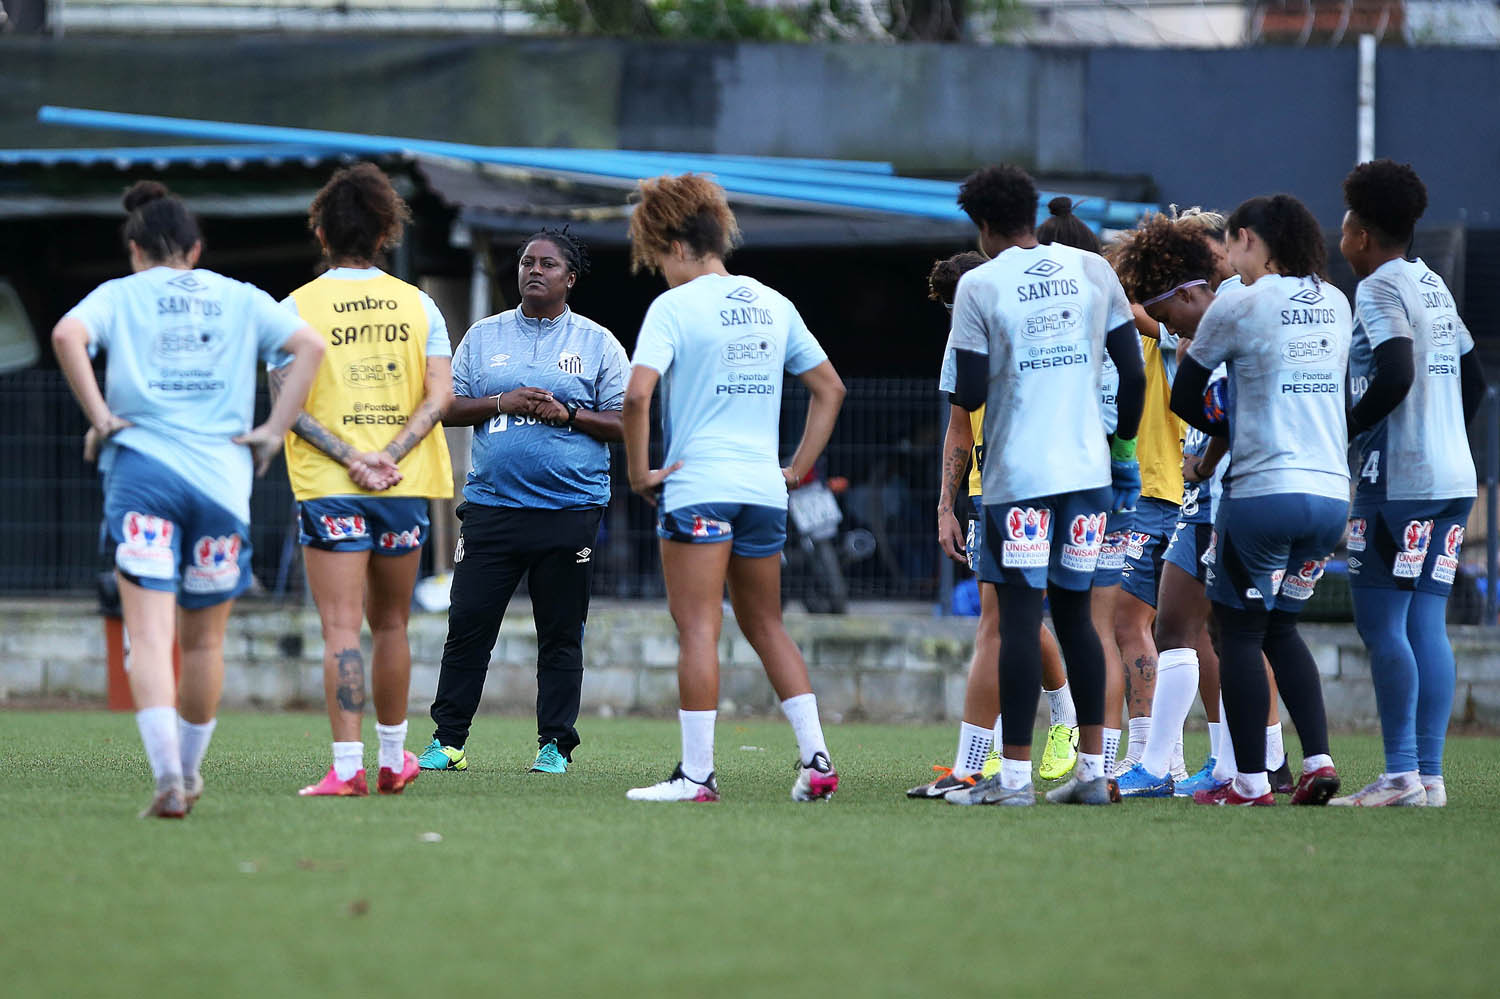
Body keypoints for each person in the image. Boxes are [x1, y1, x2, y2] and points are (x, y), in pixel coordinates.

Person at [52, 180, 324, 817]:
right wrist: (273, 431)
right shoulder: (240, 297)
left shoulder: (120, 295)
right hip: (222, 484)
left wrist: (101, 417)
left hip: (142, 474)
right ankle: (193, 771)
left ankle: (168, 776)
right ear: (195, 249)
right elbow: (310, 346)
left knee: (148, 640)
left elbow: (68, 335)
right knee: (204, 644)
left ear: (135, 250)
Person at [621, 173, 846, 803]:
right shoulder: (773, 302)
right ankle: (817, 760)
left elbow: (638, 395)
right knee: (766, 624)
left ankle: (696, 777)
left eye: (656, 256)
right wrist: (797, 467)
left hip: (698, 486)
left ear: (669, 240)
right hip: (762, 491)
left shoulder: (673, 307)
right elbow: (831, 389)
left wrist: (641, 472)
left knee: (697, 629)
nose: (659, 271)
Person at [941, 164, 1146, 808]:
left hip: (1018, 479)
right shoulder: (1093, 271)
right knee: (1080, 620)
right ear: (1031, 213)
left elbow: (970, 392)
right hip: (1088, 474)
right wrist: (1122, 453)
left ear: (981, 226)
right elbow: (1132, 374)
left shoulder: (979, 285)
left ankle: (1017, 780)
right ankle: (1092, 774)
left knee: (1020, 619)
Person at [275, 163, 454, 798]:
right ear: (386, 231)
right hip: (401, 482)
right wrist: (389, 452)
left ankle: (347, 768)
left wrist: (351, 458)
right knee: (395, 625)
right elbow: (439, 399)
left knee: (342, 628)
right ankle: (393, 758)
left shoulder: (295, 306)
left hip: (331, 484)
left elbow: (285, 406)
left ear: (321, 231)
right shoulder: (419, 303)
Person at [421, 229, 628, 775]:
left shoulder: (597, 342)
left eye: (547, 264)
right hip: (491, 507)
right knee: (467, 626)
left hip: (570, 509)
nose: (534, 270)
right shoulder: (484, 337)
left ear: (570, 278)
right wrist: (501, 401)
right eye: (526, 262)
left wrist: (570, 415)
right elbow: (446, 406)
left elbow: (629, 422)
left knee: (560, 633)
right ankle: (448, 742)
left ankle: (555, 744)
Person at [1171, 193, 1351, 806]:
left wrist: (1225, 424)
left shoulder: (1239, 304)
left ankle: (1250, 782)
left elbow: (1185, 397)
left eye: (1231, 245)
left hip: (1263, 493)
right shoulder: (1335, 302)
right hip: (1330, 497)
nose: (1228, 258)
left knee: (1239, 635)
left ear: (1249, 239)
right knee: (1283, 629)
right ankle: (1319, 761)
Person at [1331, 160, 1486, 807]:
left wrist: (1346, 427)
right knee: (1427, 619)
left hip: (1400, 481)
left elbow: (1393, 370)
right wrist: (1444, 428)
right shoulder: (1433, 285)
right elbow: (1473, 380)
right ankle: (1429, 777)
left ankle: (1398, 775)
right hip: (1454, 479)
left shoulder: (1376, 287)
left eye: (1345, 218)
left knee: (1381, 621)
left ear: (1362, 233)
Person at [909, 246, 1079, 800]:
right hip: (989, 494)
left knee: (1006, 621)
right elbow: (959, 426)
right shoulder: (963, 340)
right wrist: (945, 505)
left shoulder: (1034, 327)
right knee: (1007, 619)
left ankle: (989, 759)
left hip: (1040, 487)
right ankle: (1056, 723)